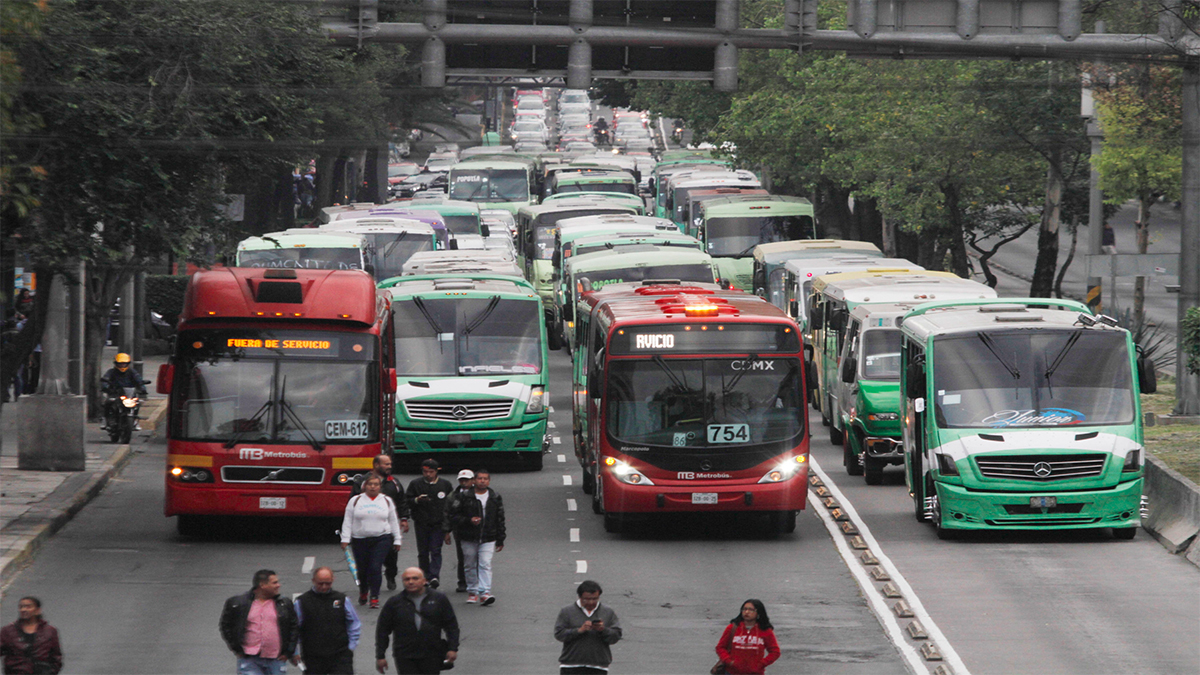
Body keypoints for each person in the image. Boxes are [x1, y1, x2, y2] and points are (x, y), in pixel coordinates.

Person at [375, 567, 459, 675]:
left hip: (432, 654)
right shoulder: (394, 603)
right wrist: (380, 656)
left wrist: (453, 648)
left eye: (415, 578)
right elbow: (383, 630)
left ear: (424, 581)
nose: (411, 582)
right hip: (405, 655)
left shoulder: (439, 599)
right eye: (407, 579)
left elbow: (451, 625)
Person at [219, 569, 299, 675]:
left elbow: (293, 627)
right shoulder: (237, 603)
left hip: (276, 659)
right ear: (262, 585)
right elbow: (226, 626)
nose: (278, 585)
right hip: (249, 659)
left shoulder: (284, 603)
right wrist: (237, 649)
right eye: (274, 582)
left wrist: (289, 652)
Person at [444, 468, 505, 606]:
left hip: (488, 536)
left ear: (489, 481)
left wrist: (500, 538)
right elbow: (453, 515)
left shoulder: (494, 496)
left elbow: (500, 518)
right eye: (480, 478)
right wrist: (469, 520)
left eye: (485, 479)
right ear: (474, 481)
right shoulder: (463, 497)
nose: (482, 481)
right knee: (470, 563)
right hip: (468, 536)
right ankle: (472, 591)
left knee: (485, 563)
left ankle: (485, 592)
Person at [351, 454, 412, 591]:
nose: (389, 467)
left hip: (388, 527)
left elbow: (402, 501)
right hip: (366, 528)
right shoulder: (362, 482)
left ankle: (390, 575)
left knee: (391, 555)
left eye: (390, 464)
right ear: (376, 465)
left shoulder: (394, 483)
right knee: (369, 558)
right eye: (386, 464)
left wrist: (404, 519)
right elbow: (353, 503)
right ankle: (369, 584)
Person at [342, 475, 403, 609]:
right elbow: (348, 520)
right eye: (370, 484)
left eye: (376, 484)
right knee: (363, 570)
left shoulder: (386, 501)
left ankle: (374, 596)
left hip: (382, 538)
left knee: (375, 567)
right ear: (364, 486)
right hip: (360, 539)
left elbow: (393, 520)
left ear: (380, 487)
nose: (373, 487)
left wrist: (397, 539)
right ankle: (364, 591)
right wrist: (345, 539)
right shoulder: (355, 500)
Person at [292, 567, 361, 675]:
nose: (324, 587)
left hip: (340, 655)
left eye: (327, 583)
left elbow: (354, 622)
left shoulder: (341, 599)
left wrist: (351, 646)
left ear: (333, 580)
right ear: (313, 581)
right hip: (313, 656)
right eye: (320, 583)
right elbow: (295, 628)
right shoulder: (302, 602)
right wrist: (294, 651)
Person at [553, 580, 621, 675]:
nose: (591, 602)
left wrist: (603, 630)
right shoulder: (567, 612)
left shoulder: (608, 612)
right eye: (587, 599)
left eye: (595, 599)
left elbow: (616, 637)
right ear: (579, 597)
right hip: (571, 665)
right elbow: (559, 634)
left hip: (598, 666)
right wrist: (579, 630)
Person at [405, 459, 453, 590]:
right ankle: (424, 576)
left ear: (437, 471)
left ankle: (434, 576)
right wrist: (417, 500)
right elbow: (407, 500)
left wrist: (448, 527)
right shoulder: (415, 484)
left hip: (438, 524)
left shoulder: (445, 484)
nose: (428, 475)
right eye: (425, 472)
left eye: (431, 472)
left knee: (435, 550)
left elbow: (451, 505)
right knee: (423, 551)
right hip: (421, 523)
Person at [714, 599, 780, 675]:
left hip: (755, 673)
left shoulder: (765, 630)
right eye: (745, 609)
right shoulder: (732, 628)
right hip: (732, 672)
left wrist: (761, 664)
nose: (747, 612)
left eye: (751, 610)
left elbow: (775, 652)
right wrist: (729, 661)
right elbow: (720, 647)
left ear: (758, 612)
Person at [0, 597, 63, 675]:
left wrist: (51, 671)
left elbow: (56, 656)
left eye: (28, 607)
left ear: (37, 610)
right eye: (21, 607)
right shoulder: (8, 631)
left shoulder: (50, 631)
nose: (23, 609)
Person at [444, 470, 475, 593]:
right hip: (460, 530)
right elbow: (447, 513)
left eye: (466, 480)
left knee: (477, 557)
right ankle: (462, 582)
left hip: (476, 530)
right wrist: (447, 531)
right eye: (462, 480)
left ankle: (475, 581)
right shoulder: (453, 496)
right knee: (462, 557)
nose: (464, 482)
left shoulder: (479, 493)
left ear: (473, 480)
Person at [100, 352, 146, 430]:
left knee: (136, 403)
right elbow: (105, 380)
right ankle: (105, 420)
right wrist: (106, 387)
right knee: (108, 402)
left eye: (124, 363)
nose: (122, 365)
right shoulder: (111, 372)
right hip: (115, 393)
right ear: (116, 363)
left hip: (129, 393)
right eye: (120, 364)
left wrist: (142, 388)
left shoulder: (132, 372)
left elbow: (139, 380)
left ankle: (134, 421)